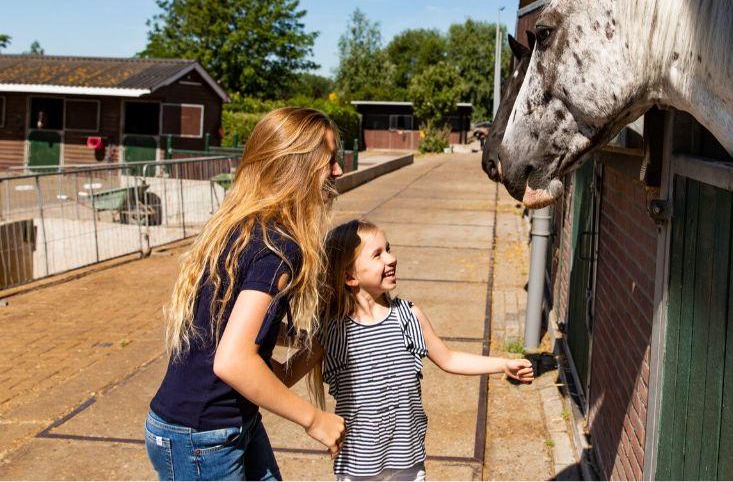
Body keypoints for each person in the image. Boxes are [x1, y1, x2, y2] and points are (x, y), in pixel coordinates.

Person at [145, 107, 346, 481]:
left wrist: (311, 340)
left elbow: (239, 335)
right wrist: (314, 419)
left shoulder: (246, 227)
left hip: (225, 424)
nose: (338, 171)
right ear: (297, 166)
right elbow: (234, 360)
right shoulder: (277, 249)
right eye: (329, 160)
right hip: (203, 439)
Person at [317, 219, 535, 482]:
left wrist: (502, 364)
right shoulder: (335, 331)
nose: (391, 258)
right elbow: (287, 373)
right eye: (378, 254)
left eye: (388, 249)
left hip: (407, 461)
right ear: (350, 277)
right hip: (357, 466)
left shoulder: (408, 317)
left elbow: (449, 359)